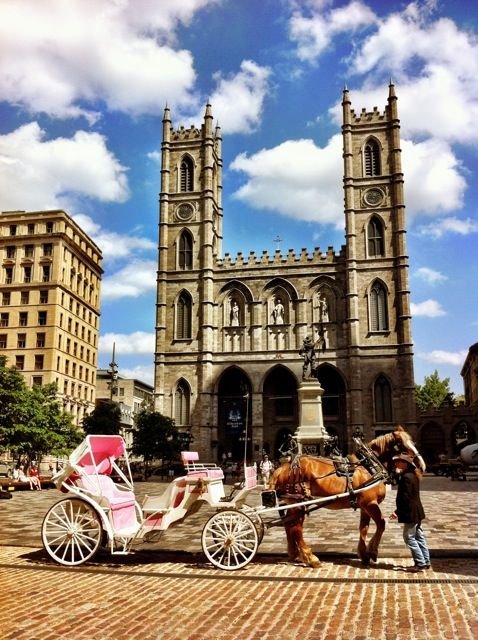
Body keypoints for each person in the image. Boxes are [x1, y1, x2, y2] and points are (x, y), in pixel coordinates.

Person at [390, 453, 431, 572]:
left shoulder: (407, 477)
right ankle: (426, 561)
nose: (396, 463)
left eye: (399, 461)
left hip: (411, 512)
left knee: (409, 538)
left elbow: (406, 498)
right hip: (417, 511)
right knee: (419, 536)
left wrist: (397, 512)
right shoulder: (412, 475)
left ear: (405, 464)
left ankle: (420, 563)